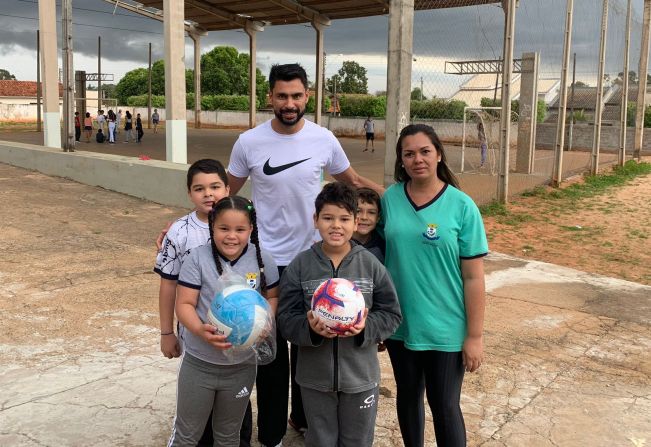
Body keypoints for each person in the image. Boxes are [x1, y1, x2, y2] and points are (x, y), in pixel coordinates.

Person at [227, 63, 383, 447]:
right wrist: (187, 223)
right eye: (282, 96)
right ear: (270, 97)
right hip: (267, 261)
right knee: (272, 350)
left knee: (313, 342)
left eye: (297, 95)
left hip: (314, 261)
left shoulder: (324, 139)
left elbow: (354, 182)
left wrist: (400, 200)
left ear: (307, 96)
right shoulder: (249, 142)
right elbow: (224, 198)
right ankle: (273, 434)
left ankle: (304, 418)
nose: (289, 103)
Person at [380, 124, 488, 447]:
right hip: (402, 324)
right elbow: (376, 258)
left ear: (439, 154)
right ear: (401, 160)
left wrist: (475, 336)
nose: (418, 159)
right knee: (408, 398)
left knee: (444, 406)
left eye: (425, 151)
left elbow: (474, 277)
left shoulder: (462, 206)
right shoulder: (390, 199)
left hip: (446, 329)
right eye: (409, 153)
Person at [277, 181, 401, 447]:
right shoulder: (300, 266)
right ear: (315, 220)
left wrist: (367, 328)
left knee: (356, 441)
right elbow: (285, 318)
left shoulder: (370, 265)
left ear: (356, 222)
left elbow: (391, 313)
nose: (336, 225)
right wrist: (309, 329)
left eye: (344, 219)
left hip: (361, 378)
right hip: (314, 379)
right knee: (321, 440)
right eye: (328, 218)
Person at [168, 195, 280, 446]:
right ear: (212, 227)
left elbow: (272, 296)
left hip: (241, 367)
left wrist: (265, 321)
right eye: (224, 228)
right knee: (187, 434)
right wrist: (199, 329)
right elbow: (184, 304)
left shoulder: (262, 260)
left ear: (251, 229)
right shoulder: (197, 258)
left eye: (240, 229)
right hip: (200, 363)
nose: (232, 236)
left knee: (228, 435)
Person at [352, 187, 385, 264]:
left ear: (378, 218)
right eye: (358, 211)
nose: (364, 217)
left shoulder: (383, 245)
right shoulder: (340, 243)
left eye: (371, 212)